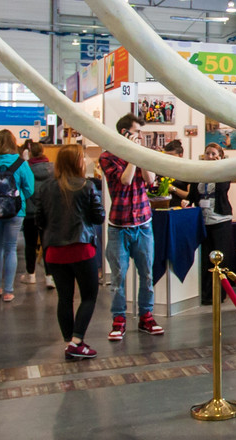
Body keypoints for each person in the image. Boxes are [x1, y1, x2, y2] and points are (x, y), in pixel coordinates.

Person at [99, 114, 164, 340]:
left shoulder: (141, 152)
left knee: (146, 274)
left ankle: (146, 315)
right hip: (119, 226)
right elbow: (125, 180)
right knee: (118, 278)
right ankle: (119, 318)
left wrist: (140, 155)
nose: (139, 137)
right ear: (124, 132)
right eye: (136, 132)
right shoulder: (107, 157)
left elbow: (150, 179)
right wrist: (133, 155)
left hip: (143, 224)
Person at [35, 144, 104, 360]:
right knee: (89, 296)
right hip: (81, 249)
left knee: (64, 298)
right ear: (78, 162)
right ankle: (76, 341)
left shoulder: (46, 187)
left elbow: (39, 220)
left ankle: (69, 342)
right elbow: (99, 217)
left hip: (54, 251)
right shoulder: (87, 186)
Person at [0, 130, 35, 303]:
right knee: (11, 248)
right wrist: (18, 198)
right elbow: (30, 188)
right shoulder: (21, 163)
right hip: (16, 211)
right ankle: (8, 291)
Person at [195, 143, 234, 306]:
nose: (209, 157)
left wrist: (219, 167)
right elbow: (193, 193)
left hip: (220, 220)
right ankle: (206, 293)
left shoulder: (224, 172)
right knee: (205, 259)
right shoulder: (199, 173)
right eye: (207, 154)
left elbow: (223, 188)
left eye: (213, 154)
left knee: (220, 259)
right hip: (204, 221)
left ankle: (219, 293)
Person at [22, 141, 55, 288]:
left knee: (30, 245)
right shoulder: (53, 169)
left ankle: (31, 275)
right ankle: (49, 276)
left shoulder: (26, 168)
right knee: (47, 244)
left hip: (29, 212)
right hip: (48, 212)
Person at [162, 140, 192, 208]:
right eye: (166, 156)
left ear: (180, 155)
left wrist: (174, 189)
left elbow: (189, 195)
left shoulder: (188, 171)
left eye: (171, 155)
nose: (168, 158)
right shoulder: (162, 170)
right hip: (164, 208)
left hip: (180, 209)